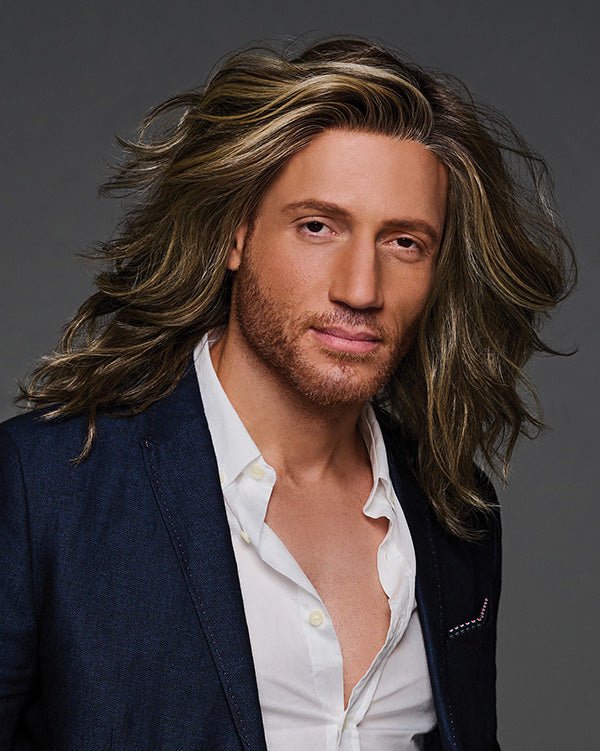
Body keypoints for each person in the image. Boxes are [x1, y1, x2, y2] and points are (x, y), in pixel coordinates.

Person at [0, 36, 574, 751]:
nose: (360, 289)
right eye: (318, 227)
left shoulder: (457, 514)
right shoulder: (43, 486)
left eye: (404, 242)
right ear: (236, 234)